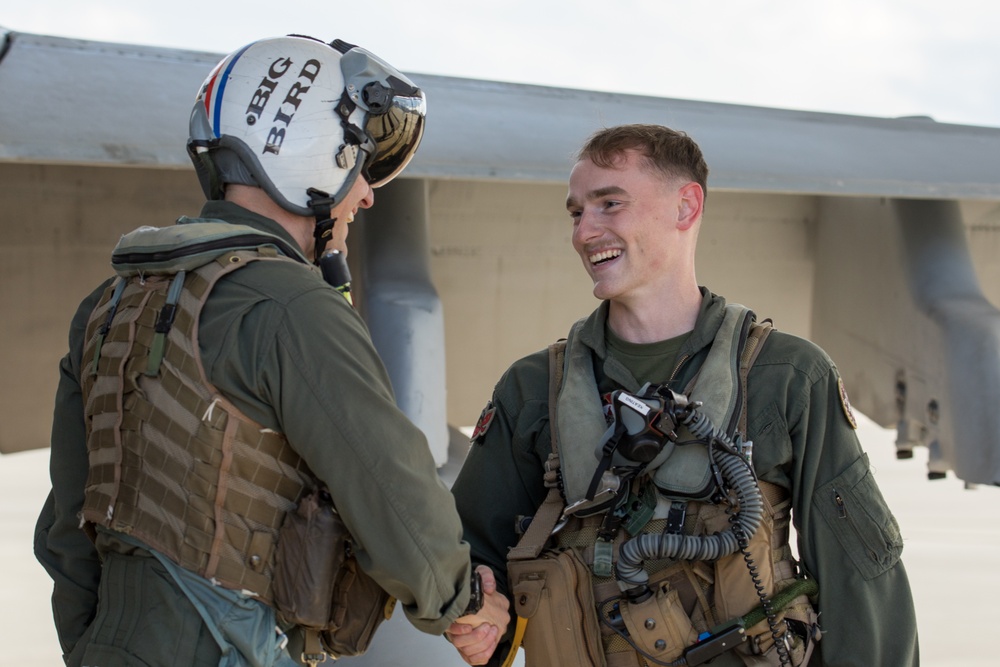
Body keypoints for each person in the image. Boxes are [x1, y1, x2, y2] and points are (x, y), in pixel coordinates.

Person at [33, 34, 506, 667]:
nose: (366, 194)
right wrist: (466, 603)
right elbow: (394, 493)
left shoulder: (109, 305)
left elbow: (69, 527)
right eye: (359, 168)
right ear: (313, 153)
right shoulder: (291, 307)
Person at [452, 124, 918, 666]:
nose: (584, 232)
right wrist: (478, 615)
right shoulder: (533, 389)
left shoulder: (787, 376)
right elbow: (468, 554)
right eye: (577, 213)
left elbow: (862, 578)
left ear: (685, 207)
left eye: (609, 204)